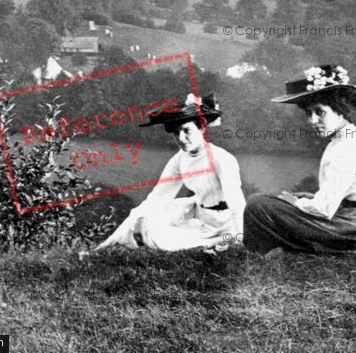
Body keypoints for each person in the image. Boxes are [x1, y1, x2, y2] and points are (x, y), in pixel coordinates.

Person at [243, 65, 356, 254]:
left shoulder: (343, 147)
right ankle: (280, 250)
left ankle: (259, 256)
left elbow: (324, 210)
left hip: (351, 232)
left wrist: (296, 203)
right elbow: (354, 192)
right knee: (295, 198)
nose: (312, 120)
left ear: (340, 110)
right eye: (308, 113)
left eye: (319, 112)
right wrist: (307, 199)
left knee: (257, 204)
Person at [96, 93, 246, 252]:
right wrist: (142, 219)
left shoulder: (221, 158)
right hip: (198, 215)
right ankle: (102, 249)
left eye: (186, 130)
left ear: (201, 127)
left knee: (165, 241)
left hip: (225, 224)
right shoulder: (180, 159)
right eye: (176, 132)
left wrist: (239, 237)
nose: (181, 138)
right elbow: (160, 195)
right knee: (138, 219)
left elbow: (236, 201)